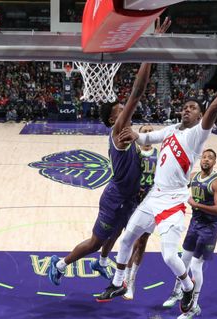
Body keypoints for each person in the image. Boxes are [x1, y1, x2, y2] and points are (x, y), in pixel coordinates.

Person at [95, 64, 217, 318]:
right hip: (154, 195)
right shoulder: (171, 130)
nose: (187, 109)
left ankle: (188, 288)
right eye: (185, 106)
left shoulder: (196, 136)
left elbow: (213, 108)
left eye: (193, 108)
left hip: (174, 200)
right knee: (126, 239)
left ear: (200, 116)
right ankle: (118, 282)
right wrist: (135, 135)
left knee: (169, 256)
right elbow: (147, 139)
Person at [48, 18, 171, 290]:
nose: (123, 109)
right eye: (119, 109)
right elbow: (137, 92)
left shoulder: (131, 133)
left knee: (118, 234)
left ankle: (102, 262)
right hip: (115, 196)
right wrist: (151, 49)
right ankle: (60, 264)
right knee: (95, 241)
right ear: (114, 117)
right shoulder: (118, 132)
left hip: (129, 197)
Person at [160, 148, 217, 319]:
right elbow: (179, 188)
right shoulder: (194, 176)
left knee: (196, 265)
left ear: (214, 162)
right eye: (204, 157)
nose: (206, 160)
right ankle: (178, 292)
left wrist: (196, 204)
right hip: (194, 224)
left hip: (209, 227)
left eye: (210, 158)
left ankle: (194, 306)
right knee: (183, 260)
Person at [123, 124, 159, 300]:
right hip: (133, 200)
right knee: (129, 239)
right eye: (145, 131)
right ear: (140, 134)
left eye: (151, 131)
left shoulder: (159, 155)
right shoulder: (134, 152)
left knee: (142, 241)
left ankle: (131, 280)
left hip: (151, 202)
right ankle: (122, 273)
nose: (148, 133)